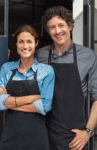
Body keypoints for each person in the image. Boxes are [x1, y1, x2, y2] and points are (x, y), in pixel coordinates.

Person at [36, 6, 97, 150]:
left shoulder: (87, 56)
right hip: (44, 133)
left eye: (61, 25)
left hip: (75, 138)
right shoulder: (39, 55)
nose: (57, 31)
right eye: (52, 27)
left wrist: (87, 132)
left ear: (70, 26)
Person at [0, 24, 55, 150]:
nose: (25, 46)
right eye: (21, 42)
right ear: (16, 44)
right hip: (10, 137)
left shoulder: (46, 71)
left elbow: (44, 106)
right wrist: (32, 98)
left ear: (36, 43)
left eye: (29, 41)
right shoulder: (7, 68)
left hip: (36, 139)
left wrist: (9, 101)